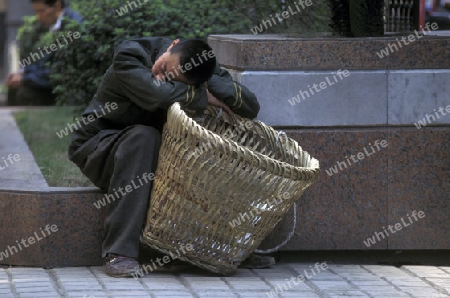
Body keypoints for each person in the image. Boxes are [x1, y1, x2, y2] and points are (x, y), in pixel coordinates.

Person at [68, 37, 275, 277]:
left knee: (203, 148)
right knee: (144, 137)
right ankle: (119, 251)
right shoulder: (130, 56)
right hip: (99, 147)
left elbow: (249, 106)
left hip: (156, 152)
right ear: (172, 45)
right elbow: (155, 95)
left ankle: (222, 248)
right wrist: (203, 96)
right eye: (165, 68)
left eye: (174, 82)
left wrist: (209, 83)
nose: (161, 76)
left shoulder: (201, 66)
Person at [5, 0, 82, 105]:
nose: (38, 16)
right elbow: (45, 62)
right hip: (54, 82)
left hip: (68, 88)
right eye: (36, 12)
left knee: (24, 92)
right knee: (15, 87)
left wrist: (25, 79)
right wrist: (24, 72)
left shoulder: (71, 27)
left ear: (57, 6)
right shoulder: (54, 26)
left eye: (41, 11)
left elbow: (59, 71)